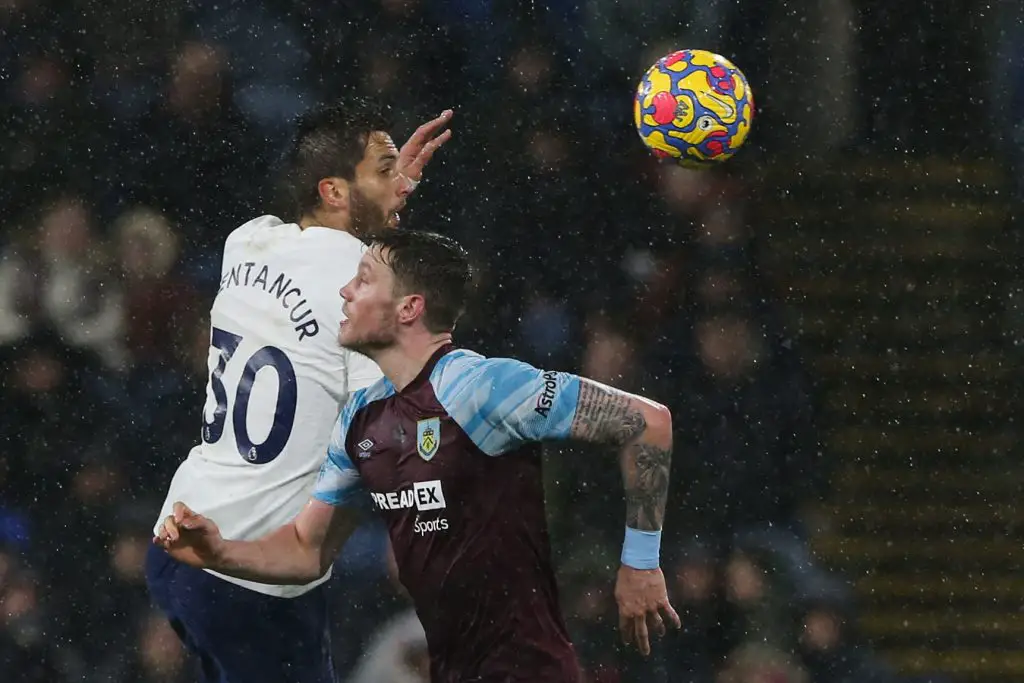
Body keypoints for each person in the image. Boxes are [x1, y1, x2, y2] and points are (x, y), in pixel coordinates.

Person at [155, 230, 681, 682]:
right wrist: (219, 551)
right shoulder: (361, 417)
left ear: (410, 307)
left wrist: (640, 562)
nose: (344, 290)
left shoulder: (482, 388)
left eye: (362, 279)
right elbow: (305, 550)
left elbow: (648, 422)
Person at [146, 98, 453, 683]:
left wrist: (385, 194)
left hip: (178, 542)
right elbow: (391, 428)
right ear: (334, 191)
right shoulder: (366, 289)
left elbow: (329, 268)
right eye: (384, 170)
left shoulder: (247, 241)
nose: (401, 182)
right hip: (253, 575)